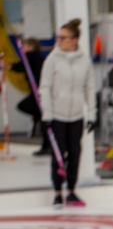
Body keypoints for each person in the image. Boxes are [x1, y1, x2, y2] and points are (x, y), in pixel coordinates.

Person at [39, 19, 96, 209]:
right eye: (59, 37)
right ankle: (57, 192)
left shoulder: (84, 60)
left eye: (63, 38)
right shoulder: (52, 60)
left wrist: (92, 114)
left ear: (74, 39)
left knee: (75, 153)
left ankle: (71, 191)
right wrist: (47, 114)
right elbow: (45, 88)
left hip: (77, 116)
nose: (59, 41)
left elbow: (89, 87)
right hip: (57, 115)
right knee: (58, 156)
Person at [7, 38, 50, 156]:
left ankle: (47, 144)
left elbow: (20, 66)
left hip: (38, 92)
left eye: (25, 46)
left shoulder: (31, 55)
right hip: (41, 91)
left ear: (31, 46)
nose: (24, 49)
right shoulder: (40, 57)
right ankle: (46, 143)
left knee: (24, 106)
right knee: (43, 119)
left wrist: (8, 66)